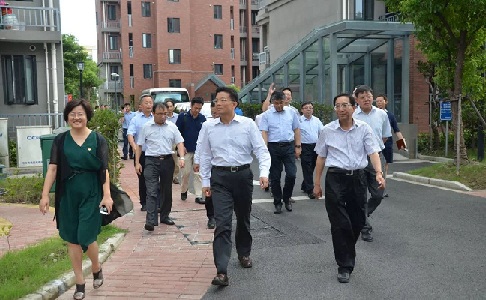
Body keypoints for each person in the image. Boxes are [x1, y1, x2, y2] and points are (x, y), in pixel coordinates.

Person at [39, 99, 114, 300]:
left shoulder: (98, 140)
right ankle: (80, 282)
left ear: (87, 116)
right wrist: (45, 194)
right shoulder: (61, 140)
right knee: (72, 238)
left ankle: (96, 267)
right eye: (72, 114)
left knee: (87, 236)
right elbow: (53, 168)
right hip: (67, 194)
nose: (76, 117)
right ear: (67, 117)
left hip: (91, 192)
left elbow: (103, 170)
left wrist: (106, 195)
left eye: (80, 114)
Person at [198, 87, 271, 286]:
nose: (218, 104)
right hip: (219, 178)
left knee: (243, 218)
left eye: (222, 100)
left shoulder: (247, 125)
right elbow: (204, 155)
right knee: (222, 223)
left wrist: (264, 173)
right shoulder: (208, 127)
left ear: (234, 104)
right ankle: (221, 270)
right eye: (216, 100)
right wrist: (205, 181)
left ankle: (244, 253)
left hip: (242, 176)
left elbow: (261, 151)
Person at [313, 93, 385, 284]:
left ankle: (345, 250)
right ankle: (344, 266)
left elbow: (373, 152)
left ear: (354, 108)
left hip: (358, 178)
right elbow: (321, 157)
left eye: (345, 105)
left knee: (358, 220)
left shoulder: (364, 128)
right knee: (340, 224)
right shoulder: (328, 130)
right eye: (337, 106)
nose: (341, 109)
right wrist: (317, 183)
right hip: (335, 178)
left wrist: (378, 172)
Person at [135, 102, 185, 230]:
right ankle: (150, 221)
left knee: (166, 190)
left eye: (165, 114)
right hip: (151, 161)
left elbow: (179, 142)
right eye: (159, 114)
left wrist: (182, 158)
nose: (163, 117)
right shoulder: (146, 127)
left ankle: (164, 216)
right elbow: (139, 145)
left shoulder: (172, 127)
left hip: (167, 160)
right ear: (153, 113)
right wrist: (137, 163)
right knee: (151, 190)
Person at [353, 85, 392, 242]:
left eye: (368, 95)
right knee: (361, 196)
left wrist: (375, 150)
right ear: (356, 100)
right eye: (362, 97)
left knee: (378, 194)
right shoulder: (353, 115)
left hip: (376, 158)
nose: (366, 99)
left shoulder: (382, 114)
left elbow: (385, 136)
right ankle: (365, 228)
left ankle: (361, 216)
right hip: (359, 160)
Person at [259, 91, 301, 214]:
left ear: (285, 101)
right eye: (276, 103)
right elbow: (264, 132)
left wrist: (298, 146)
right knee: (275, 176)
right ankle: (277, 202)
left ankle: (287, 198)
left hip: (288, 146)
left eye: (281, 103)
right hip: (273, 147)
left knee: (292, 174)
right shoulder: (266, 115)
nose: (279, 106)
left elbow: (296, 129)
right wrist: (265, 149)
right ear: (272, 103)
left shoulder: (291, 112)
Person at [193, 101, 219, 229]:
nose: (216, 115)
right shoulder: (207, 125)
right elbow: (200, 144)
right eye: (214, 112)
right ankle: (211, 217)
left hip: (224, 164)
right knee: (210, 191)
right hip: (210, 163)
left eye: (218, 112)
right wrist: (197, 160)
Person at [176, 97, 206, 204]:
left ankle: (198, 195)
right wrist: (181, 146)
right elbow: (177, 133)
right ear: (191, 106)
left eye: (199, 108)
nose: (197, 110)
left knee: (198, 174)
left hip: (198, 151)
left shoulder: (202, 119)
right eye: (195, 108)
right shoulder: (182, 117)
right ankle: (184, 190)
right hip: (186, 150)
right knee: (186, 173)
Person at [127, 94, 154, 211]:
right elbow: (130, 134)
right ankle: (144, 202)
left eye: (150, 102)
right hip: (141, 154)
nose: (149, 105)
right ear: (141, 105)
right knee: (142, 178)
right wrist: (133, 146)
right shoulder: (136, 119)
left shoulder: (156, 118)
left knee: (153, 178)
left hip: (153, 153)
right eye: (146, 103)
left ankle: (154, 201)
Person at [375, 94, 407, 185]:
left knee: (385, 163)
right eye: (377, 101)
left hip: (387, 142)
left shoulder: (390, 115)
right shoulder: (372, 114)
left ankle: (382, 182)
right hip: (375, 142)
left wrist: (402, 143)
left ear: (386, 102)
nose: (379, 103)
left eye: (381, 101)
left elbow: (396, 130)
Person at [299, 101, 324, 199]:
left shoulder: (316, 120)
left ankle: (305, 185)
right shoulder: (299, 121)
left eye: (310, 108)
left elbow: (322, 132)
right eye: (306, 108)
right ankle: (310, 190)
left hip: (316, 146)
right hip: (304, 146)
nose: (308, 109)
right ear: (302, 110)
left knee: (313, 166)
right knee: (307, 167)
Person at [165, 98, 181, 184]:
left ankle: (174, 176)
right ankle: (166, 176)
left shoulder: (178, 117)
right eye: (167, 106)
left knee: (176, 162)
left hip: (174, 142)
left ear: (174, 107)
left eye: (171, 106)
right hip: (165, 142)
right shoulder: (163, 117)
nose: (169, 108)